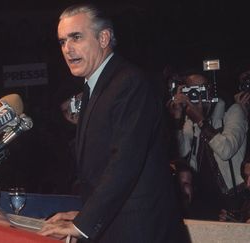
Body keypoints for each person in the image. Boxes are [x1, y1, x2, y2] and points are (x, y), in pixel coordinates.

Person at [38, 4, 186, 242]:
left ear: (104, 37)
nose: (67, 49)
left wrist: (83, 224)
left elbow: (124, 163)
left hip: (142, 233)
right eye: (62, 41)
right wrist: (85, 215)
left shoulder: (129, 83)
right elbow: (101, 169)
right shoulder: (95, 86)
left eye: (76, 37)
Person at [168, 70, 248, 219]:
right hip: (203, 200)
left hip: (232, 199)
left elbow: (226, 150)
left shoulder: (232, 112)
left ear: (211, 92)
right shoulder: (189, 120)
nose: (196, 96)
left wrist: (201, 120)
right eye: (191, 90)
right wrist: (177, 120)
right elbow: (180, 154)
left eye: (201, 90)